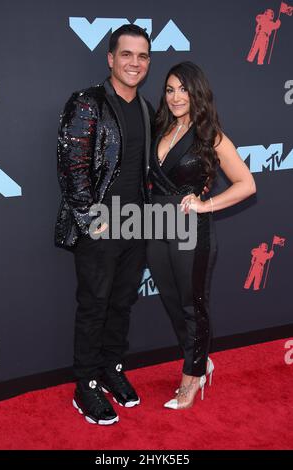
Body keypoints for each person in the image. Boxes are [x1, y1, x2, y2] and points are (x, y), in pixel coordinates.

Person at [55, 24, 154, 425]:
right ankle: (86, 384)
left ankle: (111, 369)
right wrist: (90, 220)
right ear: (111, 58)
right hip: (100, 227)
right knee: (94, 306)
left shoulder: (147, 109)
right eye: (126, 54)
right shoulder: (88, 102)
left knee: (122, 302)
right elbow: (72, 168)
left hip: (135, 225)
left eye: (143, 56)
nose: (135, 62)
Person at [146, 61, 256, 410]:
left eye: (183, 89)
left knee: (193, 307)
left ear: (198, 93)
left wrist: (206, 205)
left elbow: (247, 185)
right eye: (170, 89)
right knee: (172, 304)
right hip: (155, 228)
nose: (176, 97)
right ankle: (200, 358)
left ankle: (192, 378)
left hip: (191, 232)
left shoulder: (211, 136)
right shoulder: (160, 127)